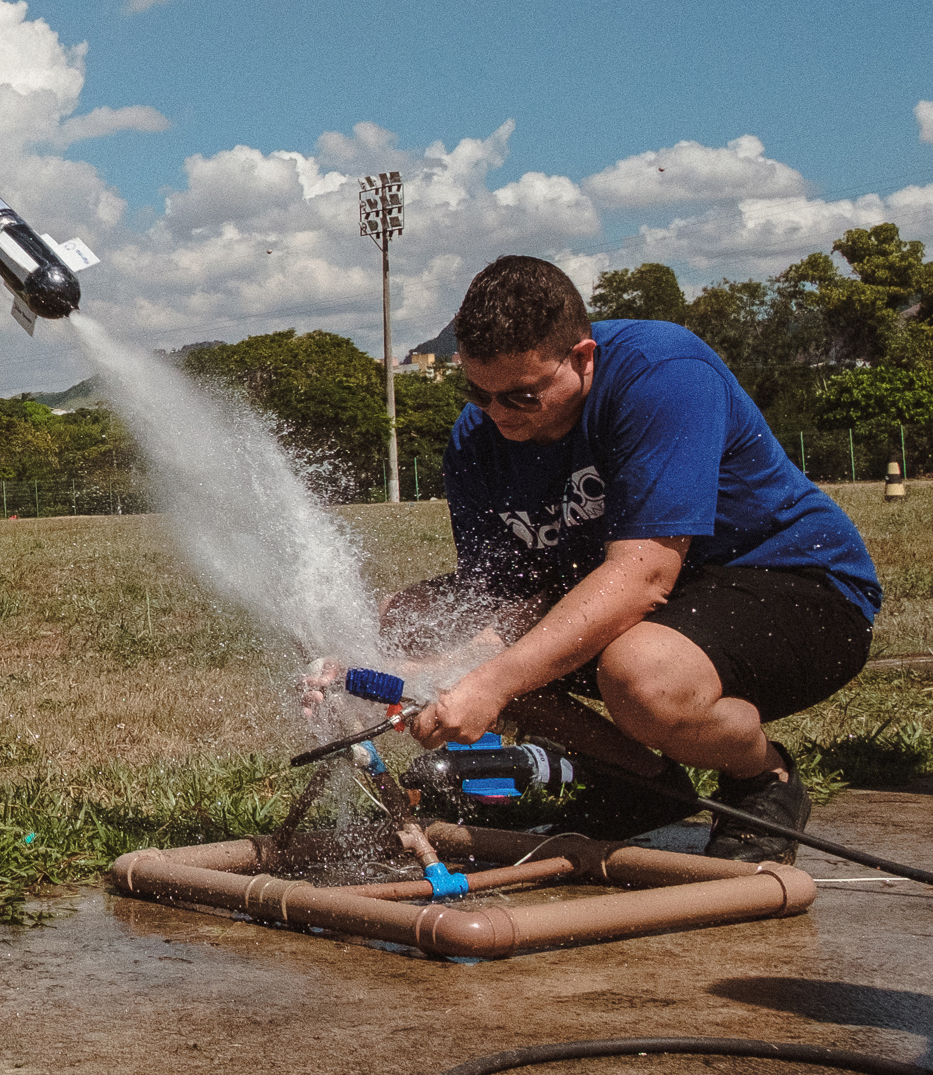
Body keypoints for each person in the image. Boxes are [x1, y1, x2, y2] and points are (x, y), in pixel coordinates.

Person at [356, 255, 878, 862]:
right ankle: (643, 786)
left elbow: (644, 577)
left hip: (796, 584)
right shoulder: (479, 438)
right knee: (405, 617)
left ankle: (762, 777)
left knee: (640, 674)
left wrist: (484, 680)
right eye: (478, 391)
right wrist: (403, 665)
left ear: (582, 358)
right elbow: (499, 602)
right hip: (648, 602)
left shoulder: (661, 371)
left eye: (522, 396)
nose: (496, 414)